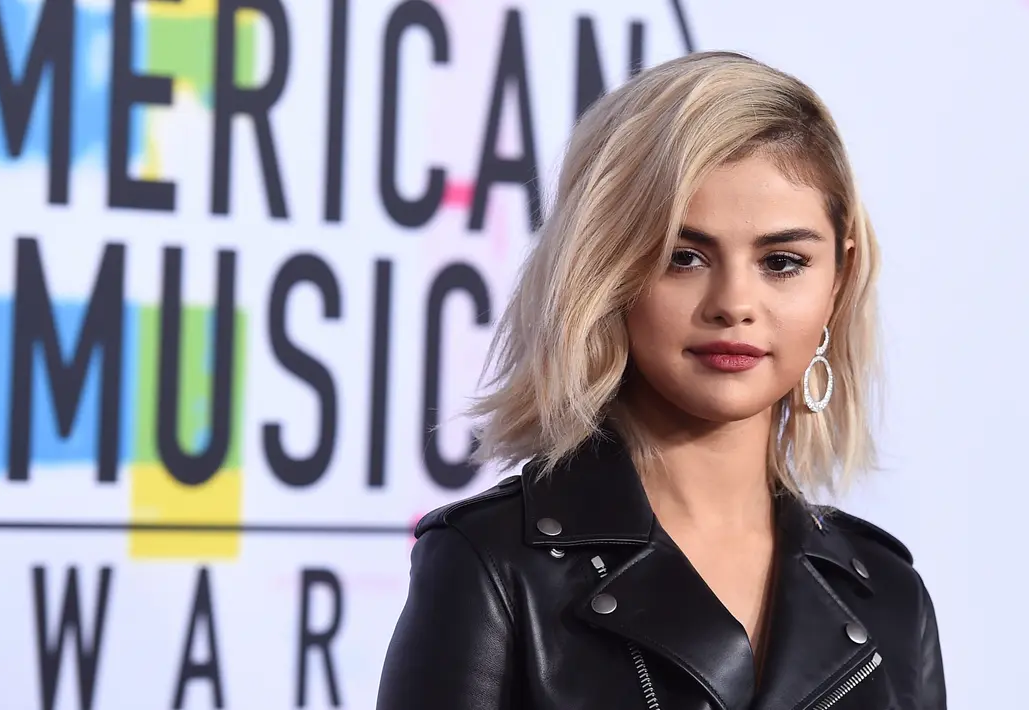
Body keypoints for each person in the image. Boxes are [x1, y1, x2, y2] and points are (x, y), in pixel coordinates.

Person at [376, 51, 946, 710]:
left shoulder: (886, 592)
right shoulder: (490, 563)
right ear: (606, 269)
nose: (733, 302)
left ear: (838, 280)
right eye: (683, 257)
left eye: (782, 262)